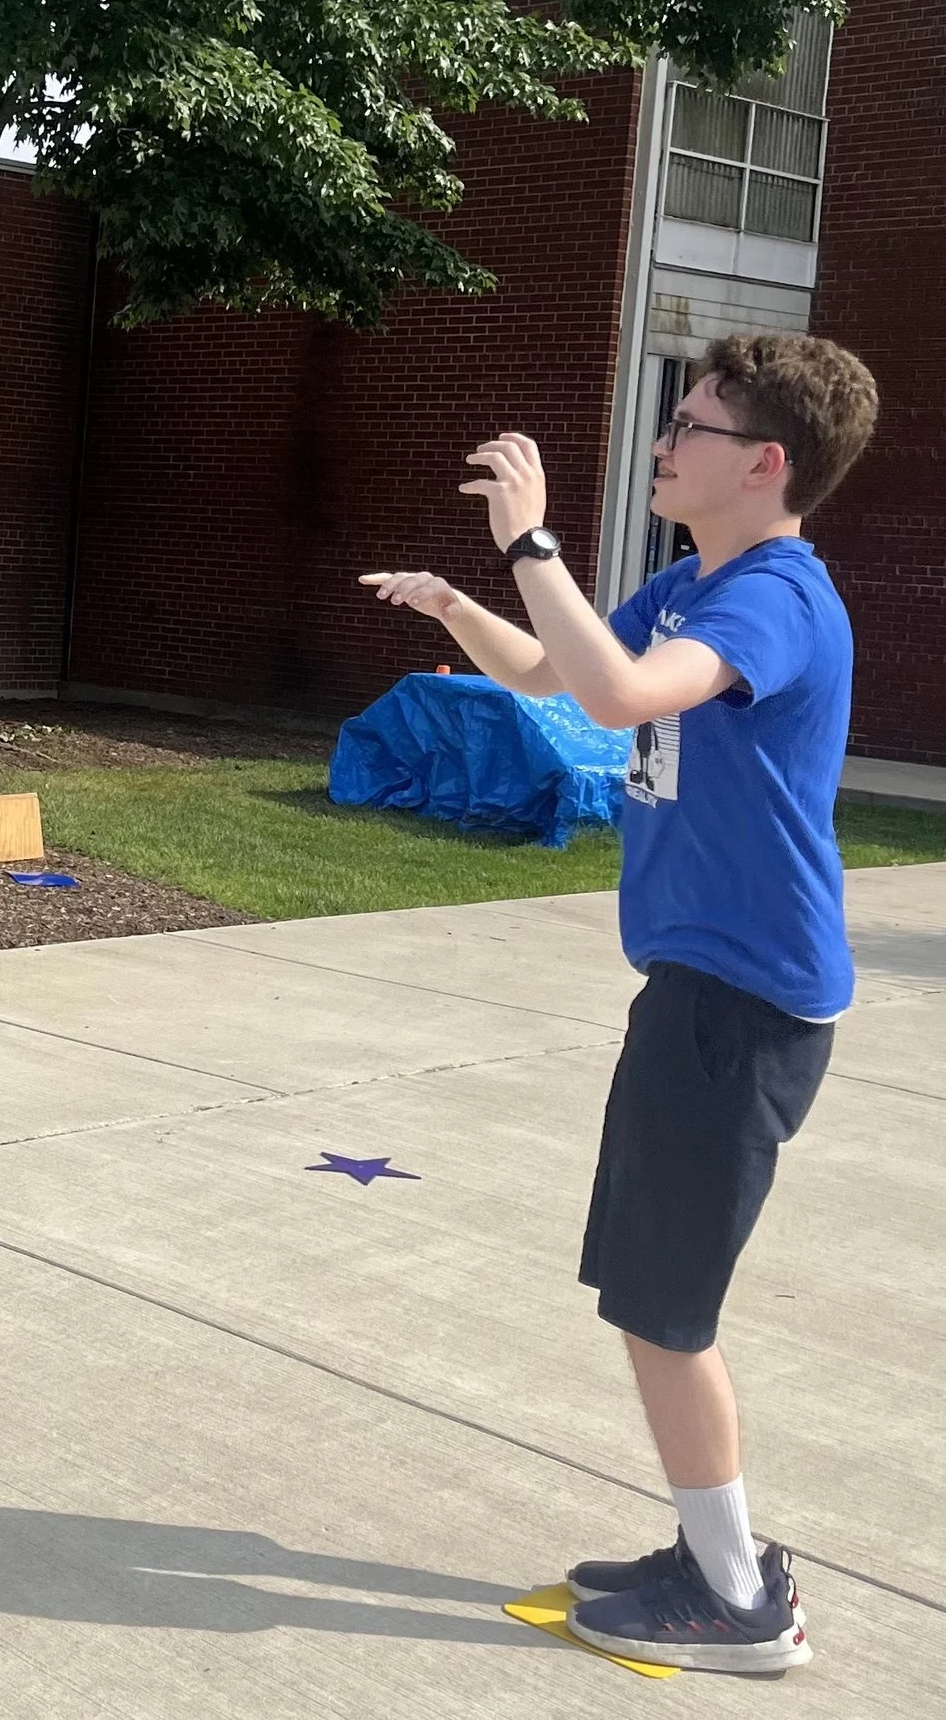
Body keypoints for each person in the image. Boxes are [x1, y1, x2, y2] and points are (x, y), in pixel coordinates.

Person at [359, 331, 878, 1675]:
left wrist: (533, 544)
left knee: (664, 1307)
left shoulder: (774, 598)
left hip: (743, 1001)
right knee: (652, 1294)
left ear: (766, 463)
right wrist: (458, 610)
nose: (664, 442)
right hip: (701, 988)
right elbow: (560, 681)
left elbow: (628, 692)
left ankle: (744, 1605)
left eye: (691, 426)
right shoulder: (700, 581)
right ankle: (719, 1554)